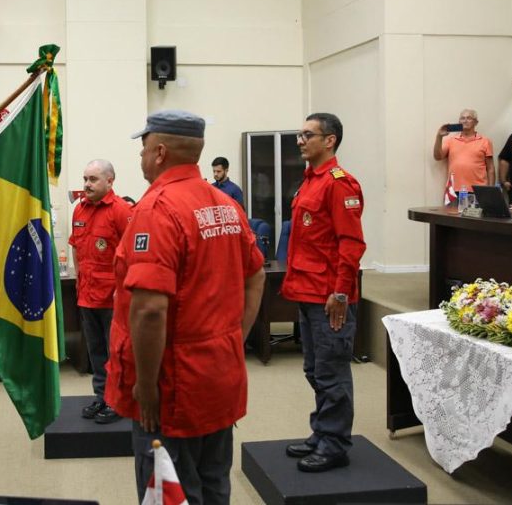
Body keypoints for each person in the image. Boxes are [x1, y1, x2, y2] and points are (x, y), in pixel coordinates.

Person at [106, 110, 265, 504]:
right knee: (214, 484)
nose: (140, 157)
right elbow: (256, 277)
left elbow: (148, 311)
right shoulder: (224, 204)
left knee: (171, 491)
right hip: (218, 377)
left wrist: (145, 385)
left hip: (171, 388)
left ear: (159, 152)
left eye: (143, 149)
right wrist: (232, 339)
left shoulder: (156, 210)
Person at [280, 113, 366, 473]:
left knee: (332, 372)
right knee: (315, 369)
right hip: (307, 289)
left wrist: (341, 293)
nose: (300, 140)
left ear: (329, 140)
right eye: (300, 134)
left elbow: (351, 244)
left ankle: (334, 444)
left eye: (307, 135)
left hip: (330, 297)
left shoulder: (339, 184)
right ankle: (322, 432)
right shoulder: (309, 182)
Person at [69, 159, 132, 424]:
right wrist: (78, 277)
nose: (87, 184)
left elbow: (132, 254)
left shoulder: (121, 210)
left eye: (93, 179)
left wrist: (125, 290)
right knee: (95, 352)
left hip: (112, 298)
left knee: (115, 352)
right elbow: (75, 246)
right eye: (85, 178)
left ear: (110, 181)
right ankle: (101, 397)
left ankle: (118, 402)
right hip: (87, 295)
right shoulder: (79, 210)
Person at [433, 109, 494, 192]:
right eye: (462, 118)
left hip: (478, 191)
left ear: (476, 122)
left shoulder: (485, 141)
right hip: (454, 191)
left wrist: (491, 191)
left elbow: (490, 168)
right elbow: (437, 156)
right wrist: (439, 137)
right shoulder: (451, 140)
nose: (465, 121)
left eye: (469, 118)